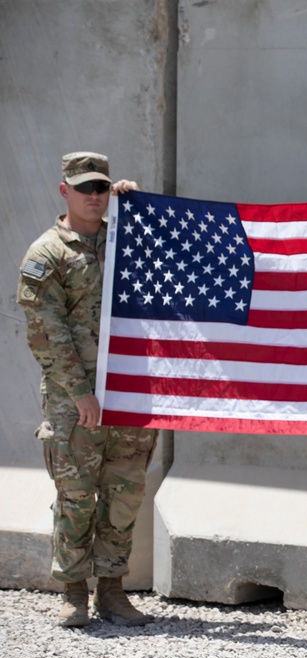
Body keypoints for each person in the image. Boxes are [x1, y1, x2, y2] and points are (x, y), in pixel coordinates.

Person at [16, 152, 160, 628]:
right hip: (74, 399)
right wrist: (79, 392)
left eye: (101, 188)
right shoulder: (48, 253)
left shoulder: (126, 238)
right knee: (76, 496)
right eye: (84, 189)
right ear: (65, 191)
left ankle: (113, 591)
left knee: (123, 495)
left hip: (129, 392)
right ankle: (74, 592)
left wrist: (134, 206)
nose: (94, 197)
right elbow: (45, 330)